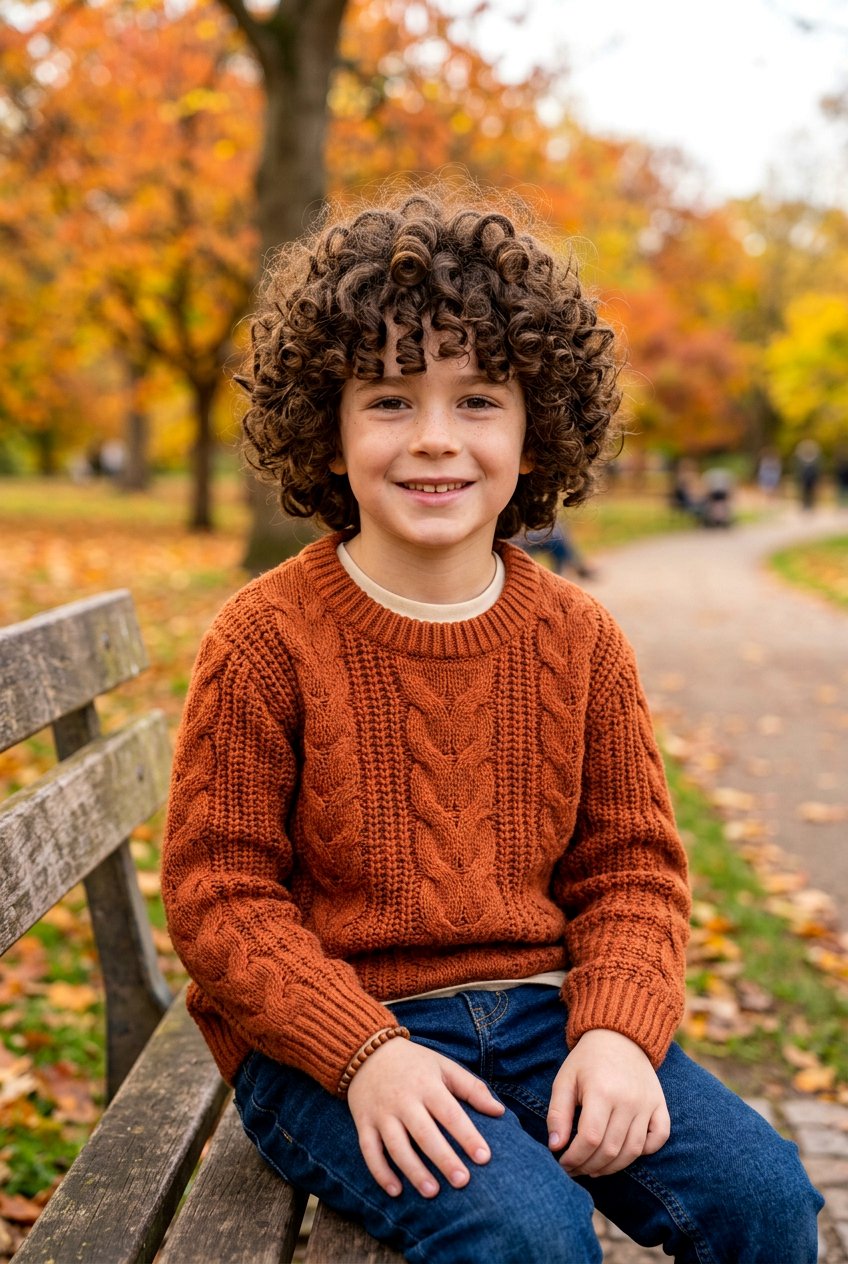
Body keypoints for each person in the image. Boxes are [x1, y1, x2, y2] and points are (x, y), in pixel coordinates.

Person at [161, 187, 822, 1263]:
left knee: (764, 1197)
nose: (434, 439)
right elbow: (219, 895)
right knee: (529, 1234)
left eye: (477, 400)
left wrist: (616, 1031)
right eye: (388, 399)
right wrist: (364, 1053)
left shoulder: (579, 637)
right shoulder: (263, 638)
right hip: (331, 1041)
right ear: (327, 431)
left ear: (533, 429)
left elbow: (631, 869)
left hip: (547, 1014)